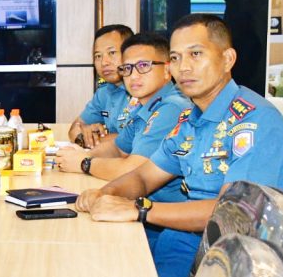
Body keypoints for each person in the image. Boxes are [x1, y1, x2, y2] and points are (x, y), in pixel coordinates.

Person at [75, 14, 283, 277]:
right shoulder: (191, 120)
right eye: (176, 58)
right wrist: (106, 194)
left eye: (196, 54)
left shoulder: (255, 120)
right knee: (90, 272)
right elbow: (144, 177)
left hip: (228, 258)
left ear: (227, 59)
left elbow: (233, 215)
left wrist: (140, 209)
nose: (184, 67)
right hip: (179, 237)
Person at [57, 32, 190, 248]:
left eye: (143, 66)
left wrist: (84, 163)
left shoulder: (171, 107)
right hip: (143, 210)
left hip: (167, 222)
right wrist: (80, 155)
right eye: (127, 68)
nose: (133, 76)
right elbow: (118, 148)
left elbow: (133, 169)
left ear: (167, 70)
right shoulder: (145, 104)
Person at [67, 24, 135, 148]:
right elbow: (74, 129)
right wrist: (85, 137)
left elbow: (134, 139)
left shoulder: (142, 89)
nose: (104, 62)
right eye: (98, 56)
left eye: (112, 53)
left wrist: (97, 139)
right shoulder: (104, 93)